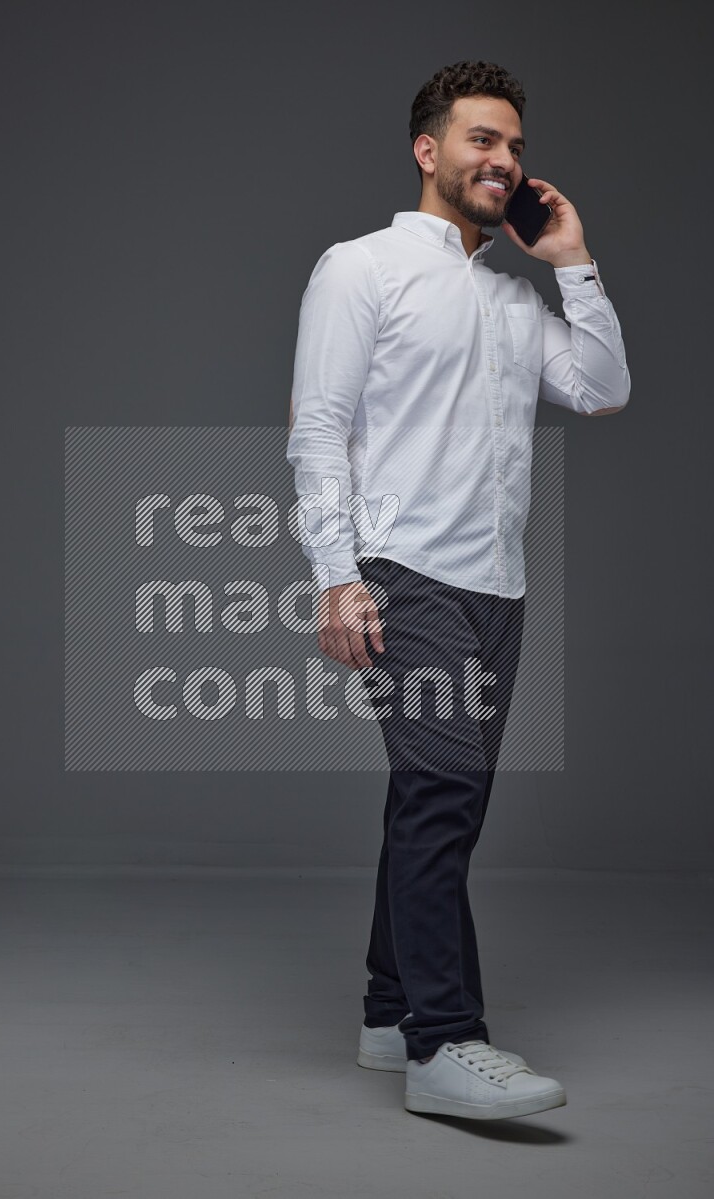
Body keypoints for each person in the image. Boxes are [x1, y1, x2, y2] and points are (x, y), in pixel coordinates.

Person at [286, 60, 630, 1121]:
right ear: (427, 149)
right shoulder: (363, 267)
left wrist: (571, 263)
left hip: (497, 586)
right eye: (483, 139)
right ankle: (445, 1041)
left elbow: (602, 389)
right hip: (404, 574)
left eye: (515, 146)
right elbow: (317, 430)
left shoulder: (515, 296)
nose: (505, 161)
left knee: (442, 800)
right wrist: (337, 577)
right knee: (440, 797)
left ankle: (389, 1012)